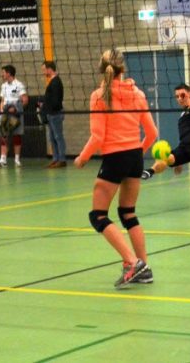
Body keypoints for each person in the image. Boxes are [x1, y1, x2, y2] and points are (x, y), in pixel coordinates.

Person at [74, 49, 158, 288]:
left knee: (98, 215)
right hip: (134, 156)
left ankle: (133, 263)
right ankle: (144, 267)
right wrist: (136, 152)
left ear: (102, 69)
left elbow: (98, 137)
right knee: (128, 212)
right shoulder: (137, 93)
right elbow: (152, 133)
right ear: (123, 68)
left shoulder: (99, 95)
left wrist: (82, 158)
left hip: (114, 157)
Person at [0, 64, 28, 168]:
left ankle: (17, 159)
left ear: (8, 73)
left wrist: (16, 108)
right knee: (3, 134)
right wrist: (1, 112)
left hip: (16, 113)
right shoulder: (3, 86)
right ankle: (3, 159)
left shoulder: (19, 85)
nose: (2, 75)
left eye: (3, 73)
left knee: (17, 135)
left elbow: (25, 100)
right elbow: (2, 100)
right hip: (5, 112)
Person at [41, 60, 67, 168]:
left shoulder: (56, 82)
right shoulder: (52, 81)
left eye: (44, 70)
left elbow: (56, 100)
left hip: (55, 114)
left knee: (58, 137)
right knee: (52, 138)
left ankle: (62, 159)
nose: (43, 72)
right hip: (51, 114)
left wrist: (49, 107)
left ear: (49, 69)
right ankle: (56, 159)